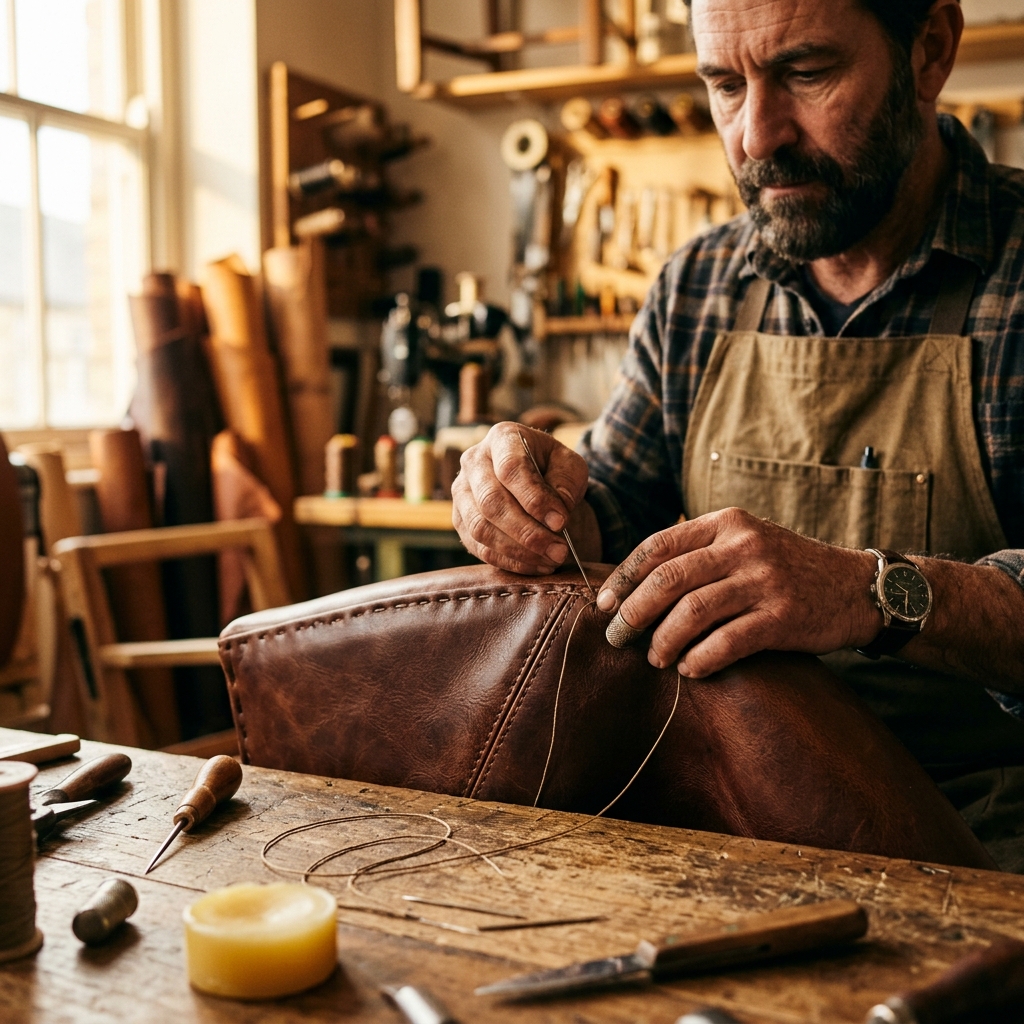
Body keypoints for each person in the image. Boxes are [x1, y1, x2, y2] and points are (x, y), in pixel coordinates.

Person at [452, 0, 1024, 869]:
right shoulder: (697, 287)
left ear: (930, 52)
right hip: (728, 831)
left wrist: (864, 592)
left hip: (980, 850)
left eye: (806, 73)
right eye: (725, 83)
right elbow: (610, 515)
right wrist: (530, 501)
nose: (757, 135)